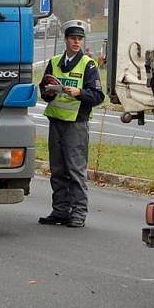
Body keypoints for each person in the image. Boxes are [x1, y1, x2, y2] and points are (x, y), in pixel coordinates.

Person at [38, 19, 104, 228]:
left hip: (76, 124)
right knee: (57, 170)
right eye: (73, 38)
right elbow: (44, 88)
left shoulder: (88, 65)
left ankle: (78, 214)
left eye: (80, 39)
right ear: (66, 40)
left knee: (75, 171)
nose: (77, 42)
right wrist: (48, 92)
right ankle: (60, 211)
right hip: (56, 121)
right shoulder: (55, 61)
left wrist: (80, 93)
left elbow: (98, 95)